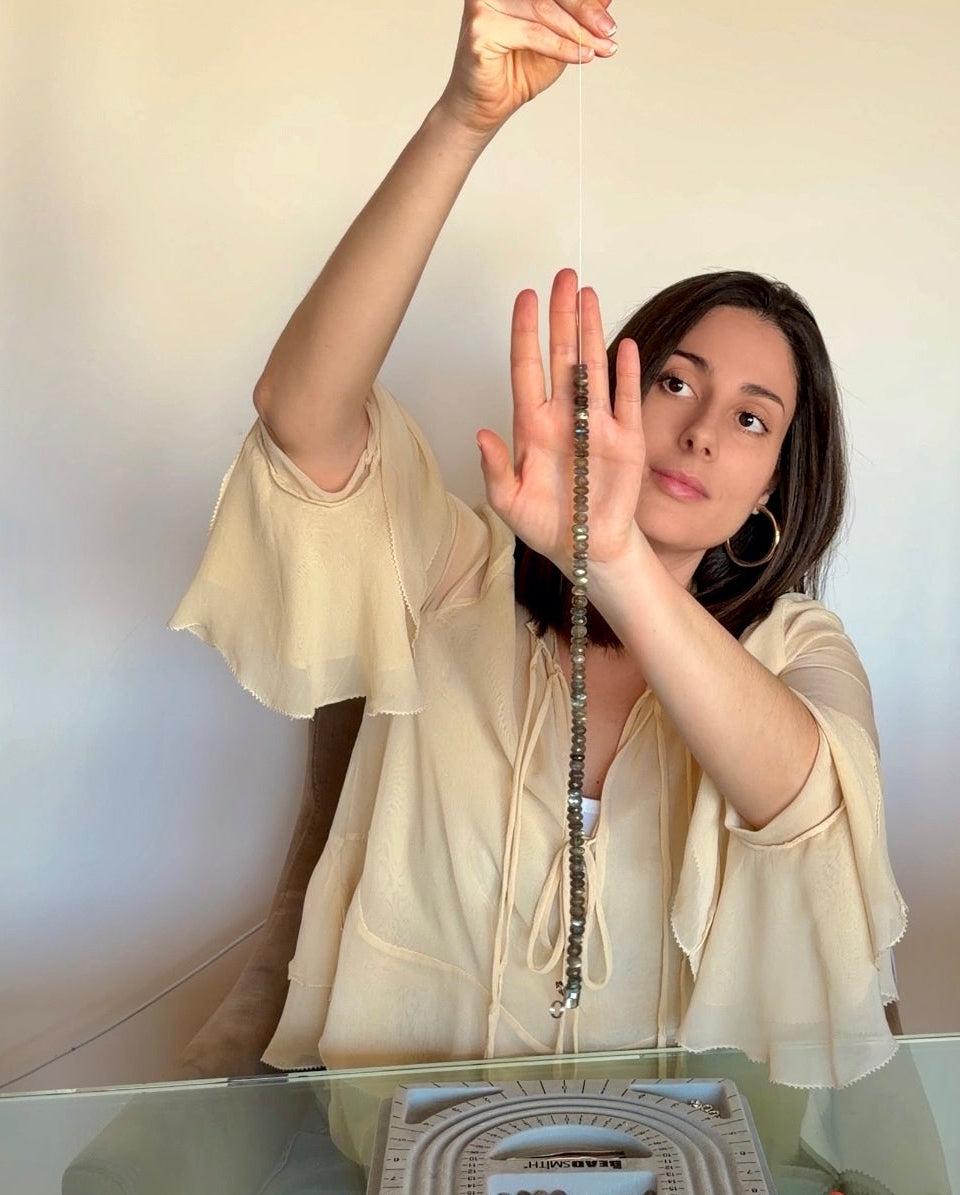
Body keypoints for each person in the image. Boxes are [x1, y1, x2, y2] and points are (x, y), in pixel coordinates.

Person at [169, 0, 908, 1090]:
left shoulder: (797, 651)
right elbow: (300, 417)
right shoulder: (450, 575)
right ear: (611, 390)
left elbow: (809, 810)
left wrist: (612, 564)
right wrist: (461, 121)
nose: (702, 426)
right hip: (411, 1145)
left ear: (770, 499)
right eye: (675, 380)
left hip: (679, 1155)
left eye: (751, 417)